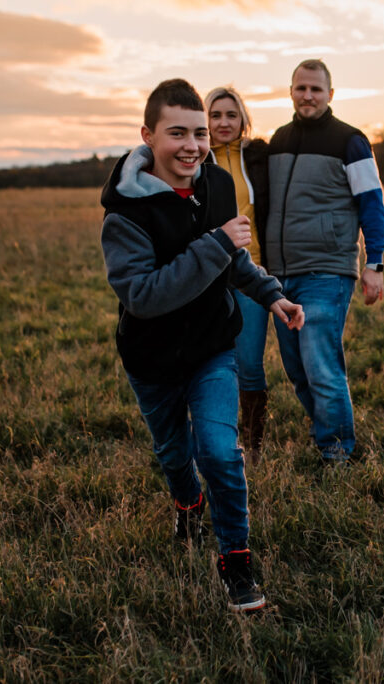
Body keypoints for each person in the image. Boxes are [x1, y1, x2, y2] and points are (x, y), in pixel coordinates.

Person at [100, 78, 304, 612]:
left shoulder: (215, 182)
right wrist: (215, 244)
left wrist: (272, 295)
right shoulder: (125, 212)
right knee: (174, 454)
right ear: (148, 135)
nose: (192, 145)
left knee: (219, 451)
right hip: (152, 359)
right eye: (177, 133)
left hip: (214, 346)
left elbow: (234, 258)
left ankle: (236, 560)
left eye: (198, 133)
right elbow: (144, 295)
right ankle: (187, 502)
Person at [265, 59, 384, 463]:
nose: (308, 96)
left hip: (327, 271)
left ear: (330, 95)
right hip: (281, 275)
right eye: (301, 88)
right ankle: (327, 432)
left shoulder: (350, 141)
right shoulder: (278, 141)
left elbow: (372, 202)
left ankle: (337, 452)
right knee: (297, 369)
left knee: (320, 365)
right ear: (291, 91)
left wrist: (375, 263)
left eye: (316, 89)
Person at [203, 86, 272, 464]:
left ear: (243, 119)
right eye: (215, 115)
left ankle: (253, 445)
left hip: (252, 276)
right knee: (213, 363)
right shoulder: (194, 159)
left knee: (249, 364)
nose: (224, 122)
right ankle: (217, 441)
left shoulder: (259, 158)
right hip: (207, 279)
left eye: (231, 115)